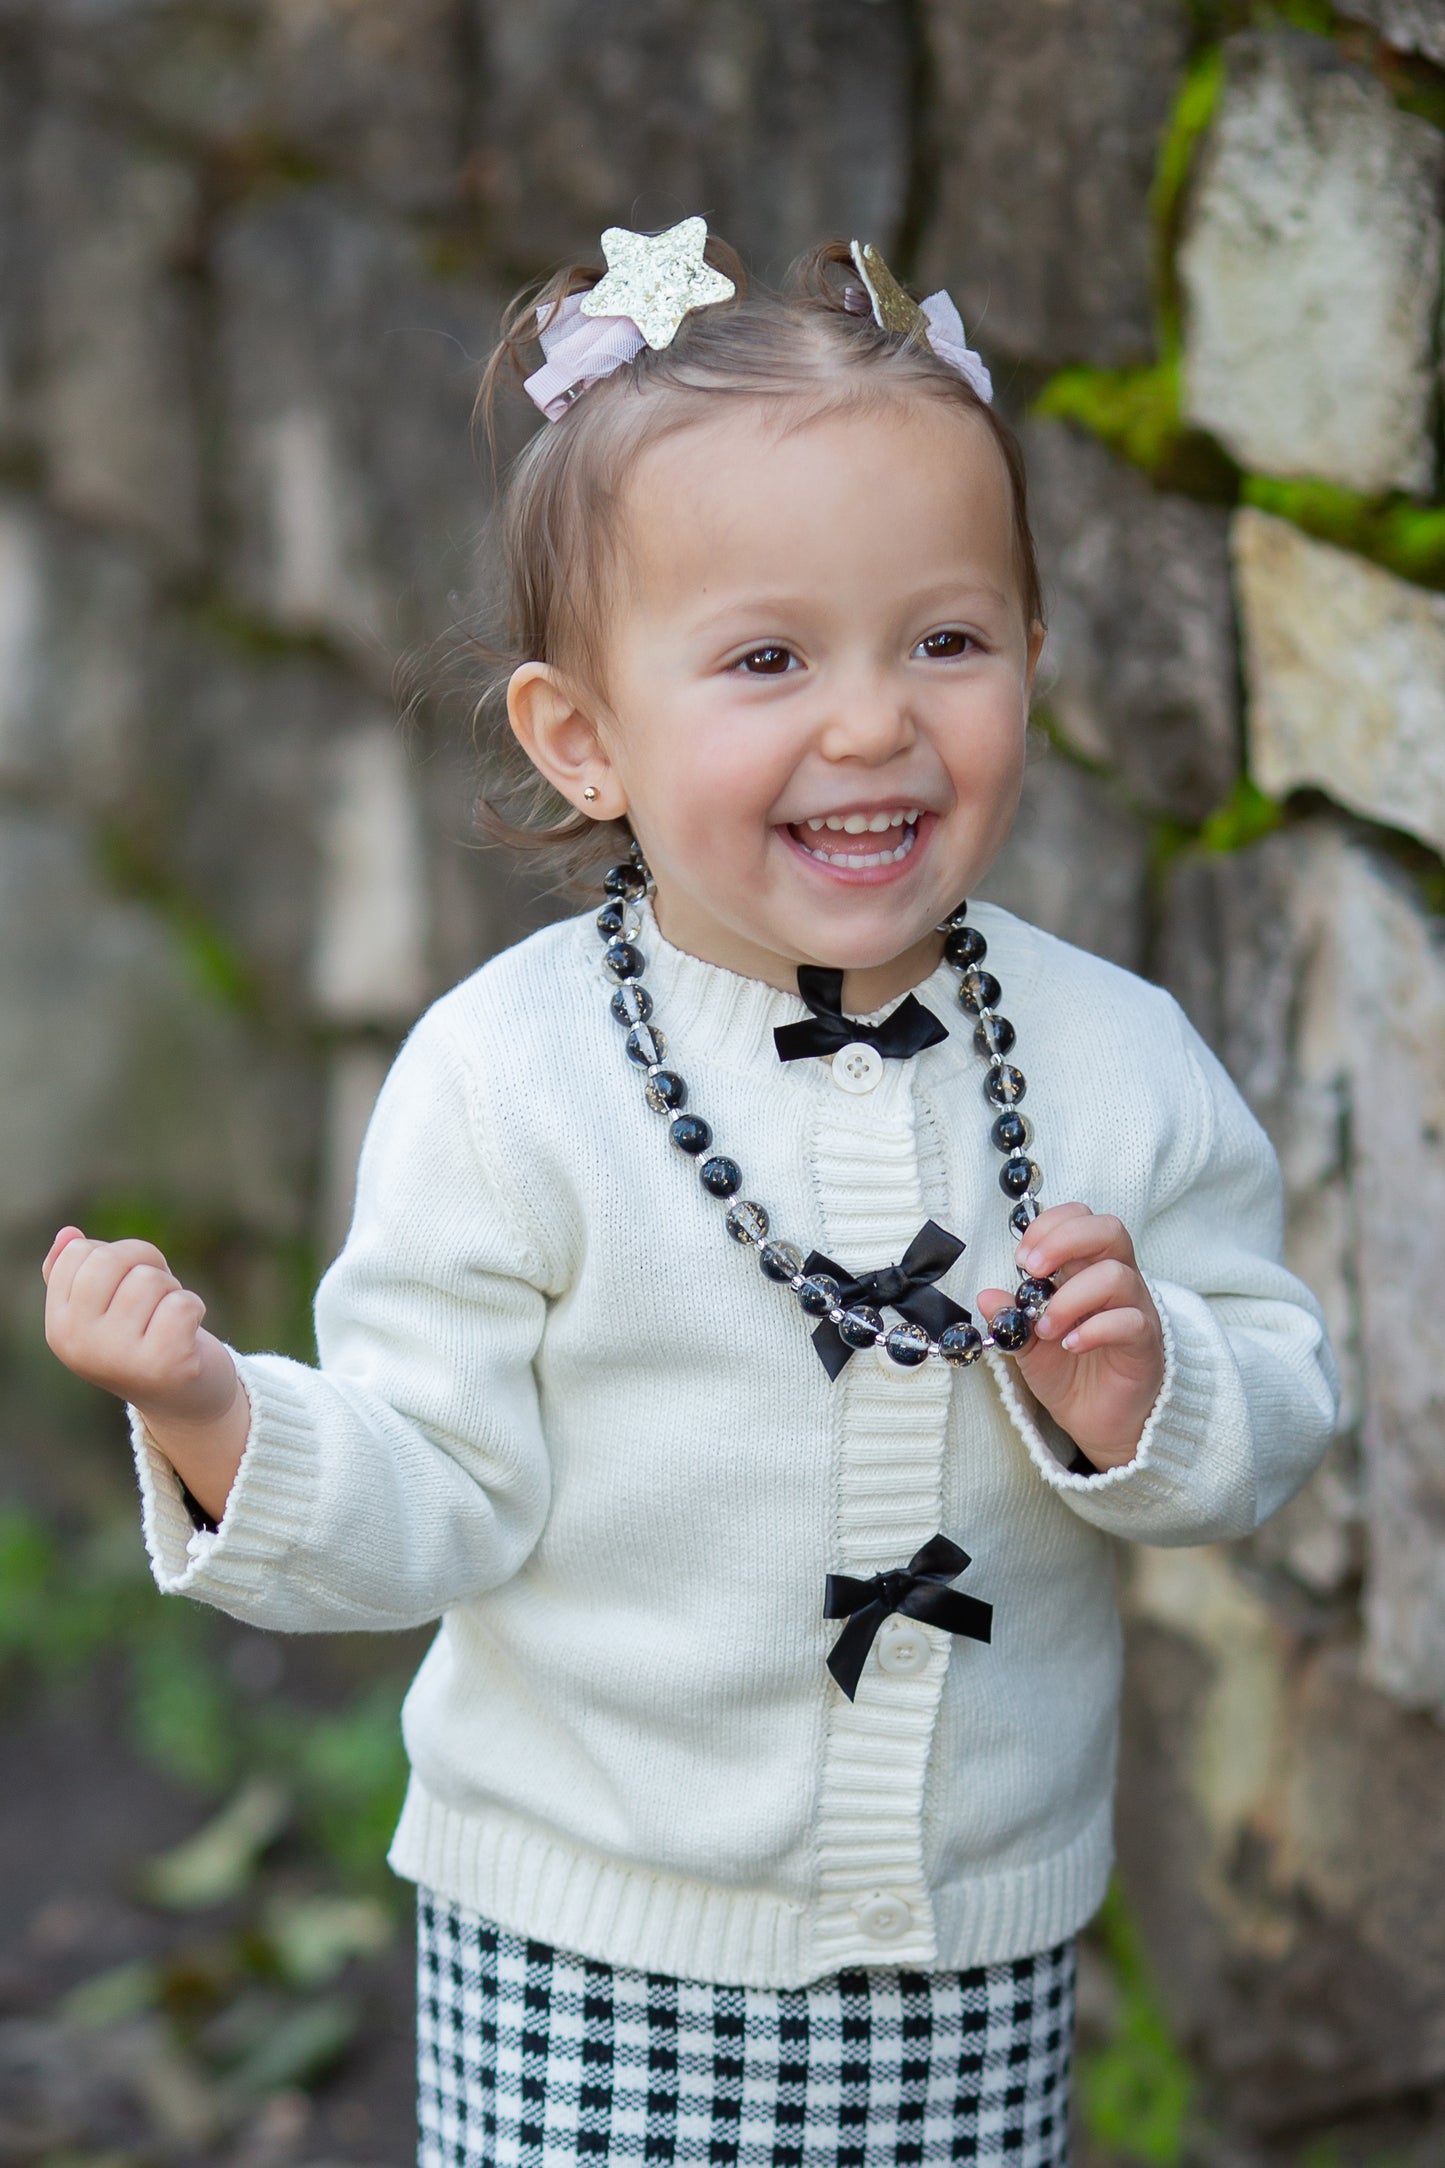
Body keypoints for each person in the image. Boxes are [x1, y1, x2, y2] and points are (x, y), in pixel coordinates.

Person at [42, 218, 1339, 2168]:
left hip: (971, 1959)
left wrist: (1158, 1404)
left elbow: (1281, 1392)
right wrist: (220, 1417)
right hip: (579, 1946)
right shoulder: (509, 1081)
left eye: (949, 639)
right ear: (584, 739)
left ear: (1036, 666)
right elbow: (435, 1494)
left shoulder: (1118, 1055)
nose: (874, 719)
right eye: (766, 658)